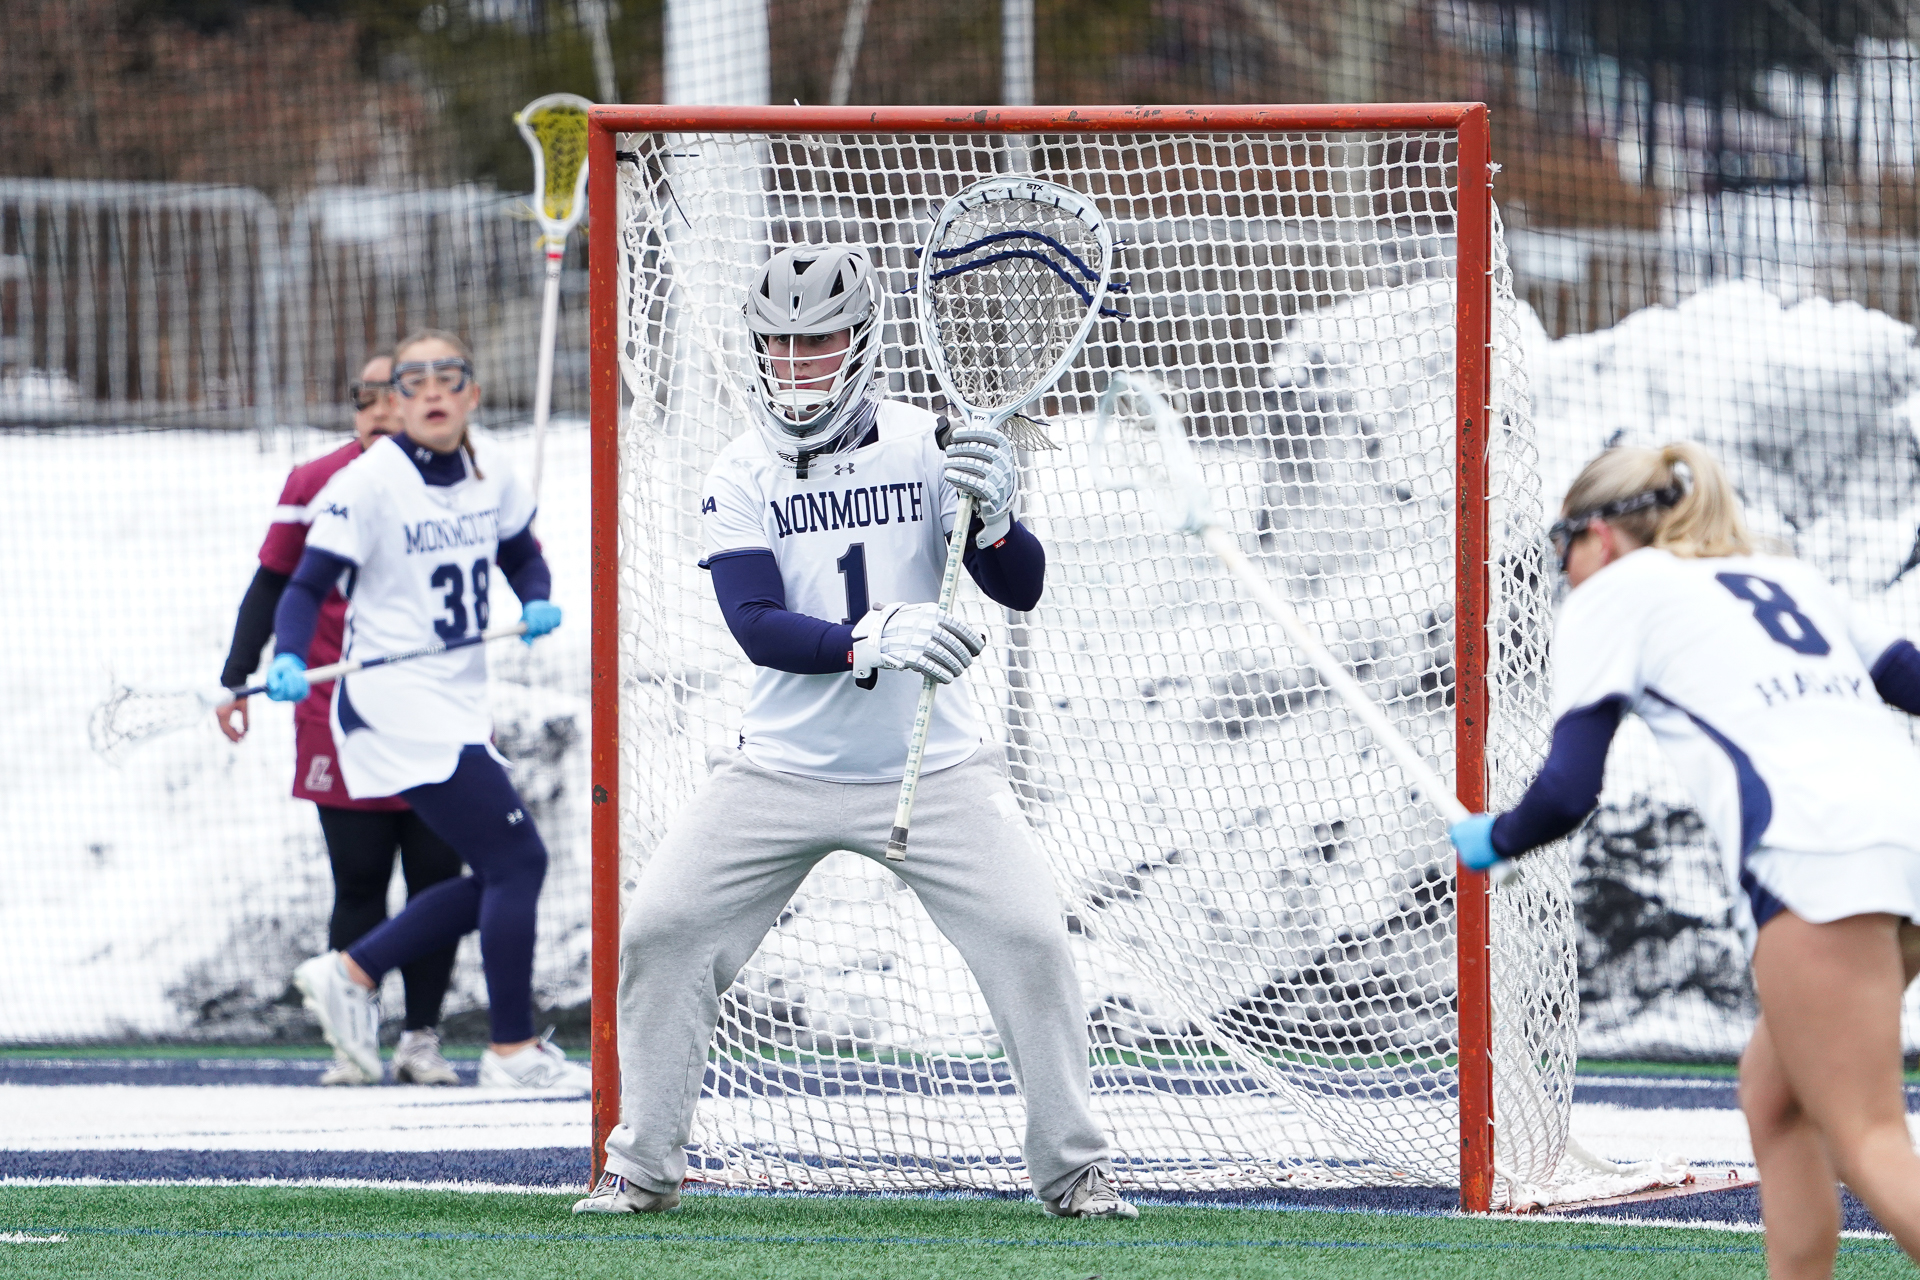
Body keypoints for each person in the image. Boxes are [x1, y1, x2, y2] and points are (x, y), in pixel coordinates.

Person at [571, 245, 1135, 1219]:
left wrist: (998, 520)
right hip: (779, 767)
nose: (798, 361)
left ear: (862, 340)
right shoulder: (739, 468)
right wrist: (870, 638)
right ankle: (645, 1164)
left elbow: (1022, 587)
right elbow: (755, 624)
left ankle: (1074, 1167)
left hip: (937, 762)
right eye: (779, 343)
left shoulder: (929, 442)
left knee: (1031, 938)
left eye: (819, 339)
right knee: (664, 930)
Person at [1449, 443, 1920, 1278]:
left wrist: (1496, 839)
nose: (1566, 574)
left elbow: (1566, 793)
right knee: (1776, 1098)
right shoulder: (1782, 577)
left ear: (1600, 534)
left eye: (1565, 551)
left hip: (1821, 860)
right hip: (1900, 841)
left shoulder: (1619, 594)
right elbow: (1909, 677)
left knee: (1868, 1132)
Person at [267, 329, 584, 1092]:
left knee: (507, 869)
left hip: (454, 698)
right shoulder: (369, 483)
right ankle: (509, 1050)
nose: (435, 391)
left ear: (473, 393)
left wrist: (534, 598)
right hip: (391, 701)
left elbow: (521, 554)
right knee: (520, 861)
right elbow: (306, 585)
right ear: (396, 403)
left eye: (451, 376)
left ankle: (355, 969)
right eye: (415, 381)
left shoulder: (492, 469)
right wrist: (286, 653)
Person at [217, 353, 463, 1088]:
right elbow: (271, 584)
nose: (380, 411)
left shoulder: (457, 480)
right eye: (365, 397)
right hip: (337, 715)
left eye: (396, 395)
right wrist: (237, 677)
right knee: (357, 882)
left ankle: (420, 1038)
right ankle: (352, 1040)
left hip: (432, 714)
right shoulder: (313, 483)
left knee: (435, 879)